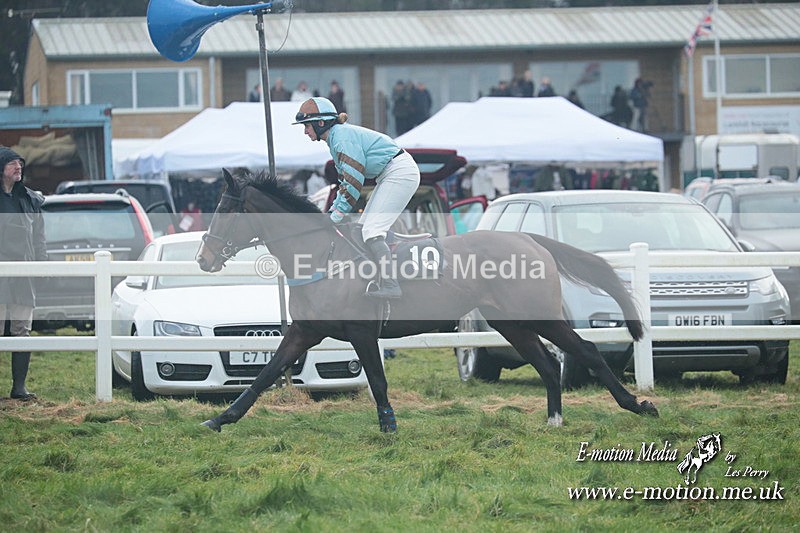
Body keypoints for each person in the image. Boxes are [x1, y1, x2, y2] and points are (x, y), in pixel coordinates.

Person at [293, 97, 420, 299]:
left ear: (320, 123)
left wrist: (334, 217)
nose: (305, 132)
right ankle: (378, 277)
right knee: (362, 230)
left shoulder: (341, 139)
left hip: (399, 172)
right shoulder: (336, 139)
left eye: (307, 126)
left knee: (372, 231)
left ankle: (391, 284)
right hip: (391, 173)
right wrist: (332, 213)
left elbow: (353, 183)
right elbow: (345, 183)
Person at [0, 147, 47, 401]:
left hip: (24, 275)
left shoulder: (30, 199)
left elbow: (39, 236)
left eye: (20, 163)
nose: (18, 167)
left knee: (22, 330)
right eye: (12, 164)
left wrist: (42, 265)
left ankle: (19, 388)